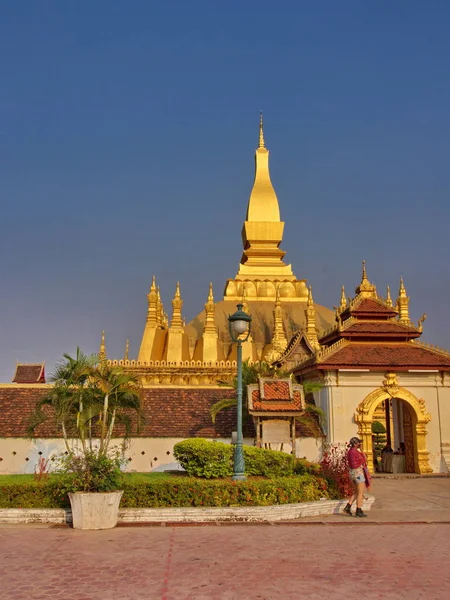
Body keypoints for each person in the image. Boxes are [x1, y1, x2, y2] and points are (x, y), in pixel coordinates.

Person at [344, 437, 369, 517]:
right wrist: (362, 450)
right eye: (358, 443)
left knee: (356, 492)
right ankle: (358, 510)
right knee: (360, 493)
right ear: (355, 444)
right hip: (358, 474)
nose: (360, 444)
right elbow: (364, 459)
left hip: (352, 474)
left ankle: (348, 506)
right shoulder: (355, 452)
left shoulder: (350, 452)